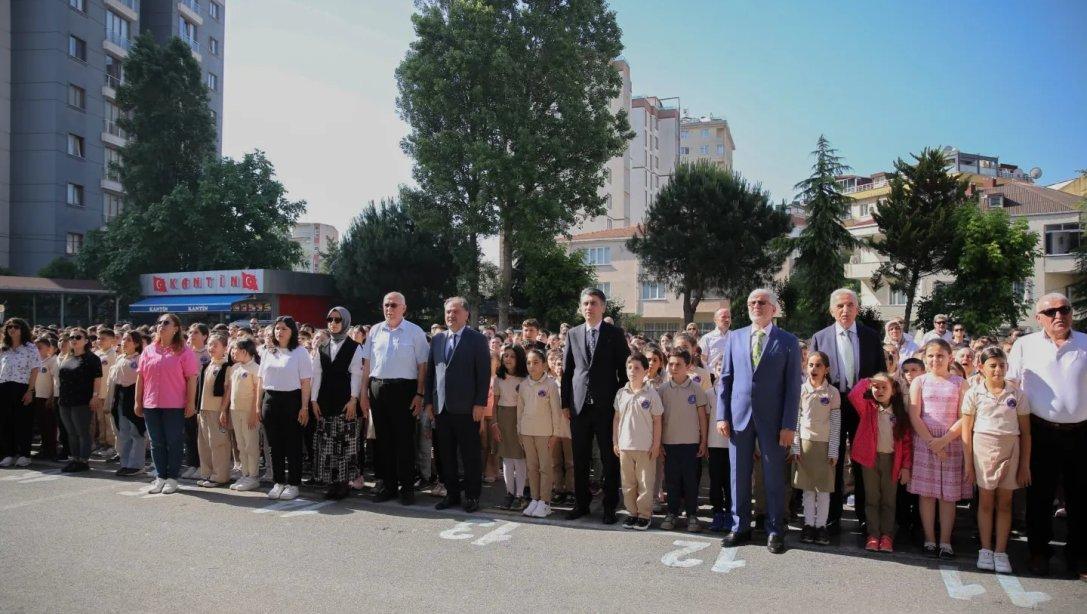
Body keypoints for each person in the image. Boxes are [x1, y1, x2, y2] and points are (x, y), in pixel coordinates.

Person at [1006, 293, 1086, 579]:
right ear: (1038, 318)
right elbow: (1011, 385)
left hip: (1081, 433)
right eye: (1050, 312)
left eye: (1064, 309)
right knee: (1039, 498)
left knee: (1081, 499)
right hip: (1039, 432)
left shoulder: (1086, 343)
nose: (1058, 316)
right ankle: (1038, 553)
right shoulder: (1024, 345)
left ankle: (1078, 557)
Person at [717, 288, 801, 554]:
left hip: (774, 422)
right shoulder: (736, 337)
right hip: (739, 418)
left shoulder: (787, 341)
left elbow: (792, 387)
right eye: (752, 302)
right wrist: (722, 415)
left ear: (774, 309)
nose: (756, 306)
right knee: (738, 475)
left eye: (762, 302)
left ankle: (775, 530)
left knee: (774, 477)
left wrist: (789, 424)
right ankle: (740, 526)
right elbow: (726, 380)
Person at [809, 288, 884, 531]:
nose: (845, 310)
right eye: (840, 306)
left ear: (857, 309)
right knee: (834, 458)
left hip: (863, 406)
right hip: (833, 406)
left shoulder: (871, 336)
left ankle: (864, 515)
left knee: (862, 460)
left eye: (850, 305)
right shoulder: (820, 337)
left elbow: (881, 373)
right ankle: (832, 515)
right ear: (832, 310)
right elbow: (813, 376)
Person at [561, 288, 631, 524]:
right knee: (580, 458)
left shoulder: (614, 333)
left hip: (606, 408)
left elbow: (624, 372)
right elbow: (567, 372)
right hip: (579, 407)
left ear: (603, 307)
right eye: (585, 304)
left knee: (609, 459)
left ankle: (610, 506)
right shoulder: (573, 333)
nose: (588, 308)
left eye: (593, 303)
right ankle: (581, 504)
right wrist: (565, 403)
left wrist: (619, 402)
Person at [963, 346, 1031, 574]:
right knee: (985, 502)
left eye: (1002, 365)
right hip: (983, 452)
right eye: (992, 365)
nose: (998, 370)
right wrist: (969, 463)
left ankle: (1001, 551)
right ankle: (985, 549)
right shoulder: (973, 393)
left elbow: (1026, 432)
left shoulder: (1017, 395)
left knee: (1005, 503)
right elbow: (967, 430)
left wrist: (1024, 465)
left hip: (1010, 451)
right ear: (981, 368)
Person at [362, 292, 430, 506]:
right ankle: (388, 485)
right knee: (383, 441)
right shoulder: (375, 330)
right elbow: (367, 364)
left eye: (393, 305)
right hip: (378, 388)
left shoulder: (415, 332)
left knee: (404, 441)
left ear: (404, 308)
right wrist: (364, 393)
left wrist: (419, 394)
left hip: (404, 390)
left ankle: (407, 487)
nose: (389, 309)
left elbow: (423, 366)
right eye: (386, 305)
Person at [425, 297, 490, 512]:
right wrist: (428, 402)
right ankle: (452, 494)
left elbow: (483, 374)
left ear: (466, 314)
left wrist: (480, 403)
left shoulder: (477, 339)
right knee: (446, 455)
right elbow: (431, 373)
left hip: (467, 408)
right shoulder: (437, 339)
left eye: (455, 311)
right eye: (448, 312)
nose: (451, 315)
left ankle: (472, 496)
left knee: (470, 455)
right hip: (442, 407)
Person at [908, 339, 968, 559]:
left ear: (950, 357)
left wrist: (944, 441)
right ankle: (929, 539)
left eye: (940, 356)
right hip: (925, 443)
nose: (935, 360)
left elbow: (965, 417)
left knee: (948, 496)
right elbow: (915, 415)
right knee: (927, 494)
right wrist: (932, 443)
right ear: (925, 358)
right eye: (931, 356)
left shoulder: (960, 383)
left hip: (951, 443)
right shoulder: (920, 382)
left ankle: (945, 541)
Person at [849, 373, 913, 554]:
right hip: (870, 459)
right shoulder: (868, 408)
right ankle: (873, 535)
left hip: (892, 461)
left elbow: (907, 443)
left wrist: (906, 466)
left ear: (893, 391)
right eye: (876, 387)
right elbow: (854, 394)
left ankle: (887, 536)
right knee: (872, 498)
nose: (880, 390)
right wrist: (868, 381)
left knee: (889, 500)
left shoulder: (899, 413)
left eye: (885, 387)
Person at [136, 313, 199, 494]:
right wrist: (137, 401)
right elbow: (141, 376)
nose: (161, 325)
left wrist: (190, 403)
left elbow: (192, 379)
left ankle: (172, 477)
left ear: (176, 328)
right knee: (156, 442)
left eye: (166, 323)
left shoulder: (184, 351)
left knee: (174, 441)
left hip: (174, 404)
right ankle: (160, 476)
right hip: (151, 403)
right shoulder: (148, 350)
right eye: (159, 323)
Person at [311, 307, 364, 501]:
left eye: (337, 320)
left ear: (346, 322)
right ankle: (331, 482)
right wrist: (313, 400)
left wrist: (353, 399)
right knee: (327, 444)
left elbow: (357, 375)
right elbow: (317, 374)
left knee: (345, 444)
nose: (333, 323)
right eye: (329, 319)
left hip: (345, 401)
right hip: (324, 401)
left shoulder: (354, 346)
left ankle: (344, 483)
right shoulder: (322, 346)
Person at [258, 316, 313, 501]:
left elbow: (306, 382)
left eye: (284, 329)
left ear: (292, 332)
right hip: (270, 400)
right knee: (275, 445)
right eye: (277, 328)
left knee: (293, 444)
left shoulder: (300, 352)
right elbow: (260, 381)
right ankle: (278, 481)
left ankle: (293, 483)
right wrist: (258, 405)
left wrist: (304, 407)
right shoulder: (267, 351)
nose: (279, 332)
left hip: (292, 400)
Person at [657, 348, 709, 532]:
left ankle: (692, 515)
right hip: (669, 444)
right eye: (670, 364)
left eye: (678, 364)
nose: (673, 368)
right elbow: (659, 419)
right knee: (672, 481)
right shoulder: (662, 390)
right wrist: (659, 443)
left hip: (691, 444)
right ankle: (672, 513)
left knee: (690, 481)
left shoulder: (696, 389)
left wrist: (703, 441)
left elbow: (702, 417)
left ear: (688, 366)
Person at [792, 351, 841, 546]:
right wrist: (795, 446)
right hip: (805, 445)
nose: (814, 369)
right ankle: (808, 525)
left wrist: (834, 450)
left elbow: (836, 423)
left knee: (824, 489)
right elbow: (795, 419)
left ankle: (821, 526)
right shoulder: (801, 390)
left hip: (825, 446)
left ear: (826, 369)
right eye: (811, 365)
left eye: (819, 365)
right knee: (808, 489)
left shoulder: (832, 393)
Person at [517, 348, 568, 518]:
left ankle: (545, 502)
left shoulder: (551, 385)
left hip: (545, 433)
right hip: (527, 431)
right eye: (529, 363)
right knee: (531, 467)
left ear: (545, 364)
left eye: (536, 362)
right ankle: (535, 498)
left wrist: (555, 434)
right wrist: (519, 430)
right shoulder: (523, 385)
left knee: (545, 467)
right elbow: (520, 410)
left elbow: (556, 412)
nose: (532, 366)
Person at [56, 327, 102, 473]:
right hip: (65, 400)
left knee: (82, 432)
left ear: (86, 341)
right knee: (71, 432)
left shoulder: (92, 358)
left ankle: (83, 461)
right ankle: (74, 459)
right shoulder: (66, 357)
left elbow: (97, 379)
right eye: (71, 337)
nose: (74, 340)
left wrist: (95, 397)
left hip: (82, 400)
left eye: (78, 337)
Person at [490, 344, 527, 510]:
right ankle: (509, 493)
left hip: (519, 417)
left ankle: (520, 495)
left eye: (512, 356)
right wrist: (495, 423)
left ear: (518, 359)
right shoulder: (499, 379)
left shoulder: (524, 379)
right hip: (503, 417)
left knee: (519, 458)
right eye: (505, 356)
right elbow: (495, 404)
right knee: (506, 458)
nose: (508, 359)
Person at [0, 317, 41, 468]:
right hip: (4, 387)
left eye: (16, 327)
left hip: (22, 387)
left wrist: (30, 391)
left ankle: (24, 454)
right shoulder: (4, 348)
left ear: (22, 329)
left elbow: (35, 369)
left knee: (23, 422)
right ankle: (8, 453)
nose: (12, 329)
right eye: (9, 327)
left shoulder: (30, 347)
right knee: (5, 422)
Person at [105, 331, 146, 476]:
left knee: (136, 432)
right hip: (121, 396)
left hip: (133, 396)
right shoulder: (120, 358)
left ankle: (137, 465)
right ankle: (126, 463)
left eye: (128, 340)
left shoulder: (140, 358)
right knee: (123, 432)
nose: (124, 342)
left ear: (136, 343)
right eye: (123, 340)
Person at [195, 332, 232, 488]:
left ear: (225, 347)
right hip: (203, 409)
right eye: (209, 344)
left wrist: (224, 410)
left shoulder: (226, 366)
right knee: (204, 443)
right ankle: (207, 473)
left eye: (215, 345)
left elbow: (228, 391)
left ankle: (220, 475)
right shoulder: (207, 365)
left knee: (218, 443)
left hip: (217, 410)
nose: (211, 348)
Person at [227, 337, 261, 491]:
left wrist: (254, 412)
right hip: (235, 411)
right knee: (241, 444)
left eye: (235, 350)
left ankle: (253, 475)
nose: (233, 352)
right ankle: (245, 473)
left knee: (250, 444)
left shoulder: (255, 368)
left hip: (249, 412)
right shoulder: (235, 368)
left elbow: (257, 392)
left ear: (244, 351)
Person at [182, 323, 211, 479]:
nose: (192, 335)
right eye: (191, 332)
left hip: (204, 396)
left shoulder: (210, 352)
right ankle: (192, 464)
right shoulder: (185, 352)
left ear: (205, 336)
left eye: (196, 333)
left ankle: (204, 465)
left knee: (203, 432)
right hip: (186, 394)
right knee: (189, 432)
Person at [547, 348, 574, 505]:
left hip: (569, 430)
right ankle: (558, 489)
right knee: (555, 462)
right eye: (557, 364)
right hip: (554, 430)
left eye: (563, 364)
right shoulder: (550, 385)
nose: (560, 367)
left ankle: (571, 490)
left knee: (570, 463)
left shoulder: (572, 385)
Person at [92, 328, 118, 459]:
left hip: (108, 393)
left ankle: (112, 445)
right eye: (98, 338)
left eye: (103, 338)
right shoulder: (96, 353)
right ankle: (102, 443)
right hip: (98, 393)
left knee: (109, 421)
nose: (99, 341)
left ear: (112, 340)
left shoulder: (113, 354)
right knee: (100, 419)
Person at [31, 336, 59, 460]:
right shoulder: (36, 362)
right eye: (35, 348)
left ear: (48, 348)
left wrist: (51, 397)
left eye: (39, 348)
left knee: (49, 425)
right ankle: (44, 447)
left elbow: (55, 381)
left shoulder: (52, 361)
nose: (37, 350)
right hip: (37, 396)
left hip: (46, 397)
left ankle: (51, 449)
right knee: (42, 425)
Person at [698, 307, 732, 375]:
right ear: (715, 320)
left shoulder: (735, 337)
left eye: (729, 317)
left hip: (731, 377)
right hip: (712, 377)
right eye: (723, 317)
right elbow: (702, 360)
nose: (727, 319)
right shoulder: (707, 338)